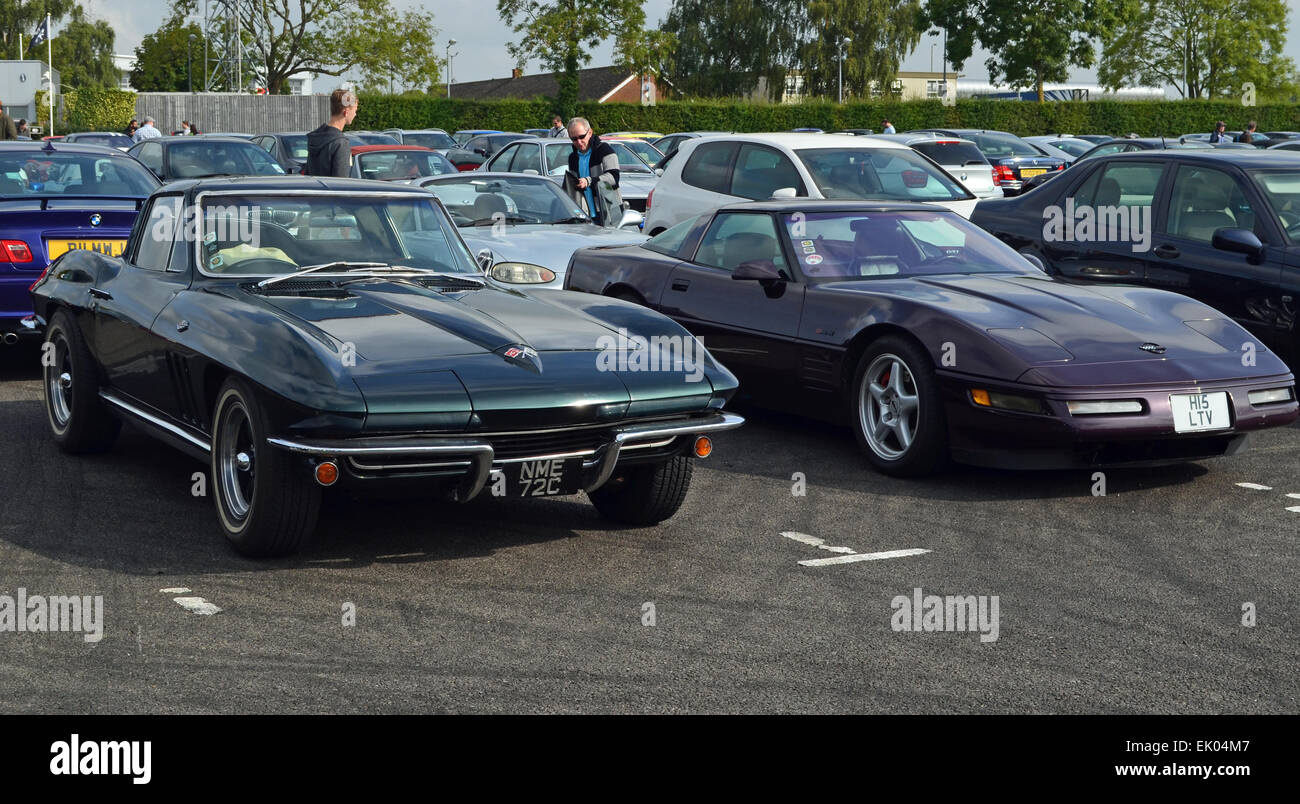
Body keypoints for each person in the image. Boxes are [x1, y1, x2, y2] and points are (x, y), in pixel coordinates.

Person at [564, 117, 623, 227]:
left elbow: (614, 178)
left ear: (590, 132)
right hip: (584, 215)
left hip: (608, 212)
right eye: (574, 139)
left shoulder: (605, 150)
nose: (579, 142)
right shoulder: (572, 158)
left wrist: (589, 181)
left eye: (582, 137)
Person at [306, 88, 358, 177]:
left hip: (315, 189)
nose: (355, 114)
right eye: (355, 110)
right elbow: (341, 183)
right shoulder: (341, 143)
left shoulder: (314, 137)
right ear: (346, 111)